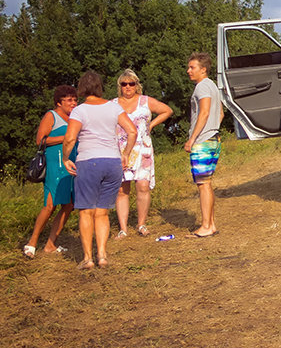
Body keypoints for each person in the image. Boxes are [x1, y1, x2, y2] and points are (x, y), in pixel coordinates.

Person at [63, 71, 138, 270]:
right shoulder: (114, 107)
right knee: (102, 212)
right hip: (112, 162)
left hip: (89, 162)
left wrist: (65, 158)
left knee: (86, 212)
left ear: (81, 89)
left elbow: (70, 138)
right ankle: (102, 255)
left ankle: (88, 258)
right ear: (99, 87)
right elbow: (132, 130)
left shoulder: (80, 111)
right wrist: (126, 154)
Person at [113, 69, 173, 238]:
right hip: (122, 150)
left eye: (131, 83)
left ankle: (141, 224)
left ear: (136, 85)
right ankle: (123, 228)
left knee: (143, 185)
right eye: (124, 84)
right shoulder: (113, 104)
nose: (127, 87)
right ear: (120, 86)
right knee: (122, 189)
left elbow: (167, 110)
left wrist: (151, 125)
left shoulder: (145, 101)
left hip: (143, 149)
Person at [23, 85, 79, 258]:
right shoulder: (51, 115)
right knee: (50, 205)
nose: (73, 103)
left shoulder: (75, 118)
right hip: (56, 165)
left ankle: (51, 244)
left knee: (69, 205)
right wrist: (67, 137)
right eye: (69, 100)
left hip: (72, 164)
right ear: (58, 102)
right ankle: (32, 243)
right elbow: (40, 140)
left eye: (75, 99)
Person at [184, 52, 223, 238]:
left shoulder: (202, 87)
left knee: (203, 184)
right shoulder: (213, 86)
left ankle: (206, 226)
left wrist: (192, 139)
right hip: (213, 139)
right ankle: (211, 224)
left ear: (203, 69)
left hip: (203, 141)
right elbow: (220, 113)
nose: (188, 71)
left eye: (192, 67)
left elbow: (205, 112)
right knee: (206, 183)